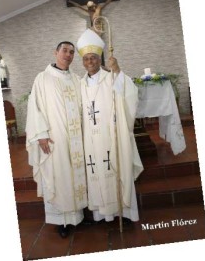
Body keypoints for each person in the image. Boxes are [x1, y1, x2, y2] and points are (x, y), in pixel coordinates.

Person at [77, 28, 144, 224]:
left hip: (110, 136)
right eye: (86, 59)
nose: (90, 62)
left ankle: (123, 211)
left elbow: (129, 93)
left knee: (115, 167)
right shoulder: (79, 85)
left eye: (94, 58)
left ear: (100, 59)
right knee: (95, 172)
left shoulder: (111, 78)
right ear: (82, 62)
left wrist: (117, 70)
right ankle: (102, 214)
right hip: (90, 139)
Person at [25, 41, 87, 238]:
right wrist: (41, 135)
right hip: (55, 139)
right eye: (64, 51)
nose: (68, 55)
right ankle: (62, 221)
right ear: (55, 52)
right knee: (59, 177)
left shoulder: (77, 79)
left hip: (77, 139)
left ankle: (77, 216)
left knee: (74, 175)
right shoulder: (42, 79)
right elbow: (35, 108)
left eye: (71, 52)